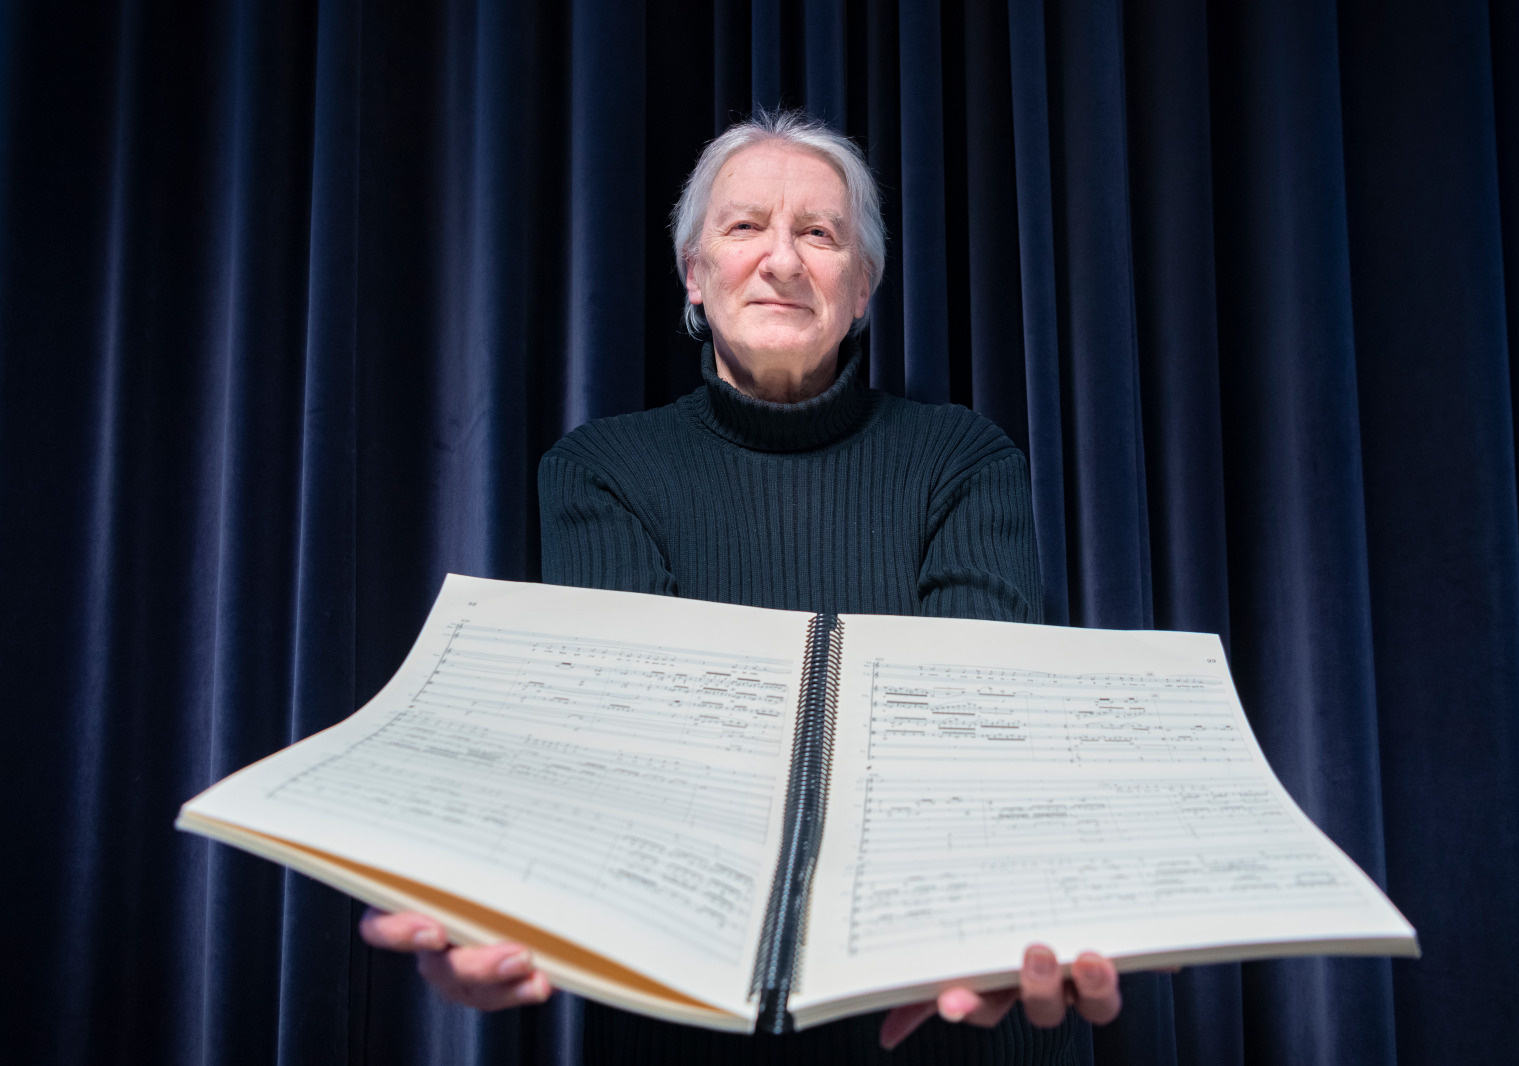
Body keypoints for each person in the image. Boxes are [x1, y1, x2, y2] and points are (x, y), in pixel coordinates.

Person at [362, 109, 1122, 1063]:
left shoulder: (963, 459)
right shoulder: (601, 468)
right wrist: (511, 892)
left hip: (945, 1002)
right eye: (744, 226)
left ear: (862, 289)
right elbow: (625, 749)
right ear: (693, 275)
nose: (783, 260)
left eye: (820, 232)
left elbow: (967, 741)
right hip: (696, 1016)